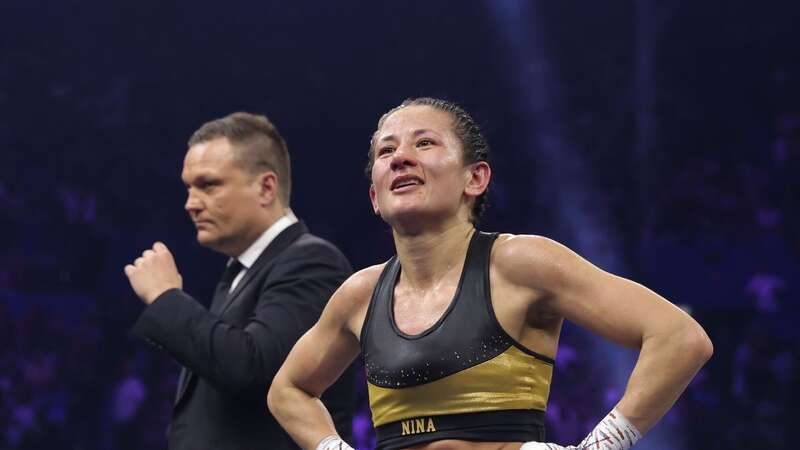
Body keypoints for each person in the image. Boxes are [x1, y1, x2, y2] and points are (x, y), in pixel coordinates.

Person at [267, 98, 713, 450]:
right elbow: (287, 389)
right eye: (387, 150)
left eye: (424, 143)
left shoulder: (521, 263)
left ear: (475, 179)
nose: (400, 157)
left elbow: (679, 337)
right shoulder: (360, 294)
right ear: (375, 197)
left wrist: (600, 445)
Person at [124, 112, 356, 450]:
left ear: (265, 188)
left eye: (208, 185)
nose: (190, 204)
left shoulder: (312, 262)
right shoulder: (243, 272)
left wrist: (165, 297)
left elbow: (256, 371)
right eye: (188, 188)